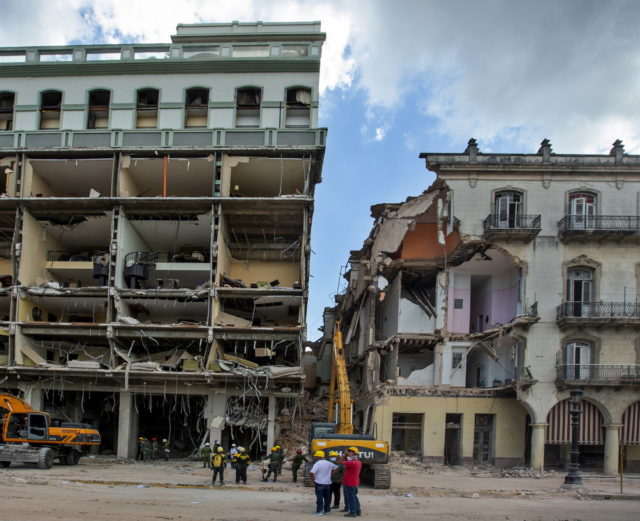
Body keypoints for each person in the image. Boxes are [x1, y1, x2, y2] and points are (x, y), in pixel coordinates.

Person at [310, 450, 338, 515]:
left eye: (315, 456)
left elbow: (311, 472)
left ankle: (319, 511)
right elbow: (336, 468)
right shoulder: (328, 463)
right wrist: (330, 473)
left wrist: (313, 480)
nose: (315, 457)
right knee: (327, 498)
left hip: (319, 483)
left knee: (319, 498)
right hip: (328, 483)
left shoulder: (317, 463)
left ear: (317, 456)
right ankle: (327, 511)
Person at [341, 447, 362, 517]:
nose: (348, 453)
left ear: (353, 453)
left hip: (350, 483)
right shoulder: (358, 462)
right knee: (354, 497)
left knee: (351, 498)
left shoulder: (352, 463)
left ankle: (353, 512)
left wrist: (344, 455)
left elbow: (339, 461)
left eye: (349, 452)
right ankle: (358, 511)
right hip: (354, 482)